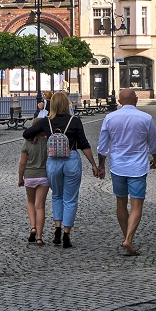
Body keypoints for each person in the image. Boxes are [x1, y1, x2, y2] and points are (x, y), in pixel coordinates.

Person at [24, 90, 100, 248]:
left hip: (53, 162)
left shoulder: (46, 122)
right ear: (66, 104)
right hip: (71, 159)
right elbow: (84, 144)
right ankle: (66, 234)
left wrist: (41, 134)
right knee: (70, 199)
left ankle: (57, 230)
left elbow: (26, 133)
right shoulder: (75, 121)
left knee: (57, 196)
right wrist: (93, 164)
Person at [95, 88, 156, 256]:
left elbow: (102, 147)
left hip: (118, 166)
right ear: (136, 100)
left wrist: (101, 166)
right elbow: (154, 144)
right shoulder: (146, 118)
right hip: (138, 167)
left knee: (121, 202)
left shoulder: (110, 118)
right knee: (137, 204)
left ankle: (126, 237)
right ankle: (129, 240)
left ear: (119, 101)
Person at [17, 131, 50, 245]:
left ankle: (33, 227)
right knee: (40, 206)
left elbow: (22, 163)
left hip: (30, 176)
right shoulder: (47, 142)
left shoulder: (27, 143)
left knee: (31, 202)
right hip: (44, 175)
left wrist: (21, 178)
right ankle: (39, 237)